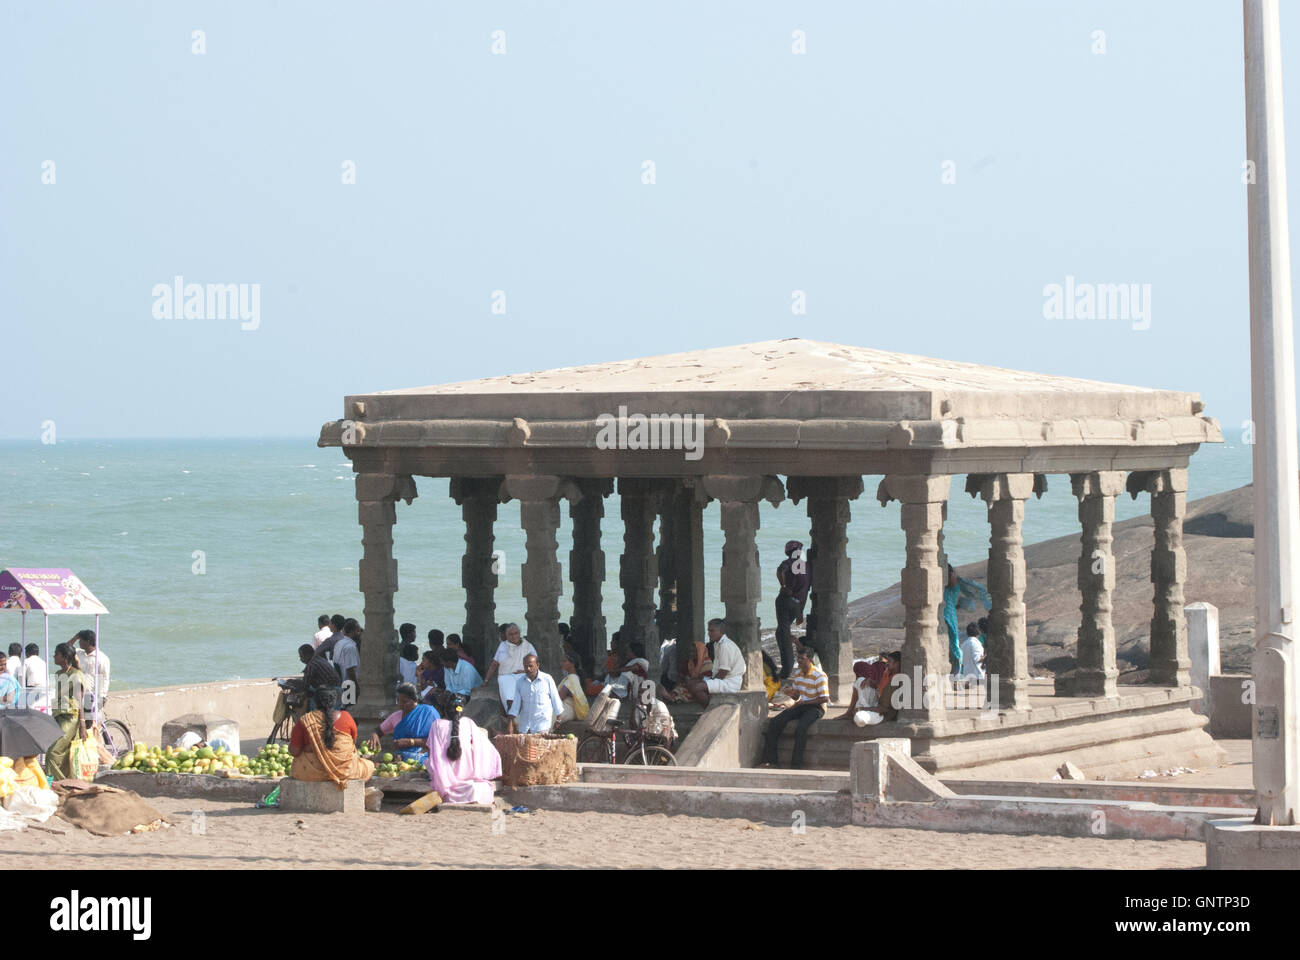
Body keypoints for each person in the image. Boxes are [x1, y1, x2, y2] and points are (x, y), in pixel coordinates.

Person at [426, 689, 502, 805]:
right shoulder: (468, 723)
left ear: (445, 708)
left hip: (444, 776)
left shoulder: (437, 725)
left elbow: (433, 754)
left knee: (428, 761)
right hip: (467, 773)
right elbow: (487, 749)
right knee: (481, 787)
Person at [288, 686, 375, 786]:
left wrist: (311, 747)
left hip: (312, 773)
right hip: (346, 771)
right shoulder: (346, 717)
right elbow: (352, 743)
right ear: (335, 701)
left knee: (298, 762)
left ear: (314, 702)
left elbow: (294, 751)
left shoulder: (305, 721)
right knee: (369, 765)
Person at [761, 647, 829, 769]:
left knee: (801, 729)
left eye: (802, 658)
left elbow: (824, 698)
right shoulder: (798, 674)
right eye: (798, 658)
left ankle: (796, 765)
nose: (799, 661)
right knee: (776, 722)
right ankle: (771, 760)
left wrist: (803, 702)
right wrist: (791, 693)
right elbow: (798, 695)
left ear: (810, 659)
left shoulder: (819, 676)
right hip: (801, 704)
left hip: (816, 707)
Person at [44, 642, 88, 781]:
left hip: (70, 718)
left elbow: (79, 700)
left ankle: (52, 783)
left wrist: (82, 725)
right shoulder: (59, 674)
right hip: (58, 715)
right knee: (62, 753)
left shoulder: (76, 675)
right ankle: (63, 782)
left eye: (56, 654)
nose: (53, 656)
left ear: (64, 657)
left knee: (52, 752)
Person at [367, 683, 439, 764]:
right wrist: (374, 735)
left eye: (405, 701)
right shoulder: (396, 716)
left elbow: (437, 740)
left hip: (426, 761)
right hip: (401, 763)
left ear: (415, 699)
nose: (400, 704)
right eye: (398, 701)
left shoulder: (428, 712)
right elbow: (378, 731)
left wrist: (411, 742)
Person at [681, 619, 744, 707]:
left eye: (712, 631)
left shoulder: (726, 646)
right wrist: (706, 680)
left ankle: (710, 709)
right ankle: (709, 707)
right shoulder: (717, 644)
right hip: (721, 680)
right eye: (708, 630)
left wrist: (710, 683)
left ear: (721, 631)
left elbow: (723, 672)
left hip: (729, 682)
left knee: (695, 688)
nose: (709, 633)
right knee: (691, 683)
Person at [943, 564, 990, 676]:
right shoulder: (946, 589)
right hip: (945, 615)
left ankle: (956, 671)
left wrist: (948, 572)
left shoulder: (953, 586)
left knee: (953, 643)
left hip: (948, 616)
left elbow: (953, 579)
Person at [775, 540, 811, 680]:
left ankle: (787, 668)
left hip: (785, 600)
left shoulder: (788, 563)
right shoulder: (807, 566)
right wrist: (800, 612)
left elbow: (780, 572)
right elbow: (805, 589)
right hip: (797, 603)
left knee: (783, 632)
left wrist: (783, 585)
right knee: (781, 632)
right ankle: (787, 666)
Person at [483, 622, 537, 711]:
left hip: (523, 674)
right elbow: (494, 664)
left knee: (528, 696)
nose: (514, 636)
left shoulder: (527, 646)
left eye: (516, 633)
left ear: (520, 633)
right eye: (511, 634)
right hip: (506, 675)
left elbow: (535, 664)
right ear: (506, 636)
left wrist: (524, 671)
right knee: (509, 697)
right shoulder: (502, 646)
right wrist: (486, 680)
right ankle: (511, 717)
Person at [507, 654, 564, 734]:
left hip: (542, 726)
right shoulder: (520, 682)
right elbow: (515, 705)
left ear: (537, 665)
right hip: (525, 727)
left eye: (530, 666)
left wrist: (559, 719)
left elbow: (556, 700)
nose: (528, 669)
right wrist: (510, 724)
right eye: (525, 666)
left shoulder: (547, 679)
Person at [839, 651, 901, 724]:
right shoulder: (887, 672)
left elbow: (883, 708)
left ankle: (857, 712)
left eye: (889, 662)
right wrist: (872, 681)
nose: (886, 663)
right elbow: (881, 687)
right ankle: (849, 712)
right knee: (860, 681)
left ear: (897, 664)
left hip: (882, 713)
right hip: (877, 702)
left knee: (859, 718)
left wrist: (862, 709)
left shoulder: (897, 680)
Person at [75, 629, 110, 722]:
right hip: (79, 693)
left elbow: (105, 679)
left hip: (92, 696)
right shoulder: (79, 653)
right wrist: (76, 636)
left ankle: (106, 736)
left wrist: (102, 697)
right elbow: (65, 649)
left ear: (88, 642)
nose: (79, 642)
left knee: (92, 724)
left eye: (81, 640)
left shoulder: (102, 658)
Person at [332, 618, 362, 707]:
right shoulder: (350, 647)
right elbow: (350, 670)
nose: (360, 633)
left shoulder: (339, 643)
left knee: (346, 710)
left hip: (341, 684)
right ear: (353, 631)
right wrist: (357, 688)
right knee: (351, 711)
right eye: (358, 631)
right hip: (349, 686)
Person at [556, 652, 590, 724]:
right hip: (570, 709)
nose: (562, 663)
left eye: (565, 661)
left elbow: (560, 697)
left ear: (572, 664)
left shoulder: (572, 678)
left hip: (568, 709)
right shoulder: (573, 677)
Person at [22, 642, 47, 710]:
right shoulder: (43, 662)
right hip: (45, 689)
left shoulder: (26, 661)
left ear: (27, 653)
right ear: (38, 653)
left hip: (32, 689)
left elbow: (21, 678)